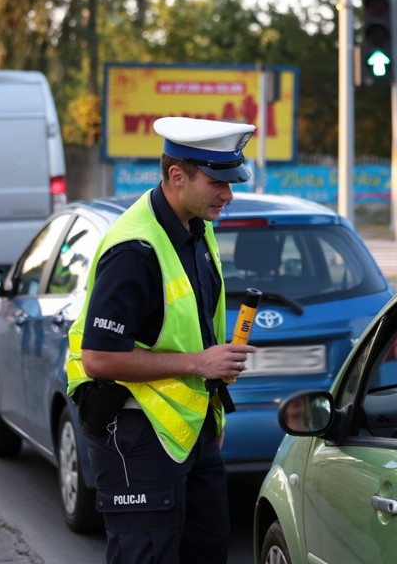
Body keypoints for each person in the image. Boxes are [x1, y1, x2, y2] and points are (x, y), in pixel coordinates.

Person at [65, 116, 258, 564]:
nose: (229, 195)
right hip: (135, 434)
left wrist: (210, 427)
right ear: (177, 176)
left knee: (206, 551)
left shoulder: (195, 228)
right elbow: (97, 358)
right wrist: (198, 364)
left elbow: (191, 328)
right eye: (218, 182)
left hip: (190, 434)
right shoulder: (135, 250)